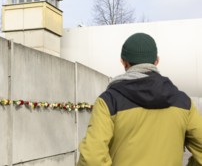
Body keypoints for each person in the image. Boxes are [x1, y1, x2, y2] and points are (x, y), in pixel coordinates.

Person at [77, 32, 202, 166]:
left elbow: (92, 159)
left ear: (123, 62)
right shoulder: (184, 103)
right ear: (156, 61)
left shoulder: (108, 101)